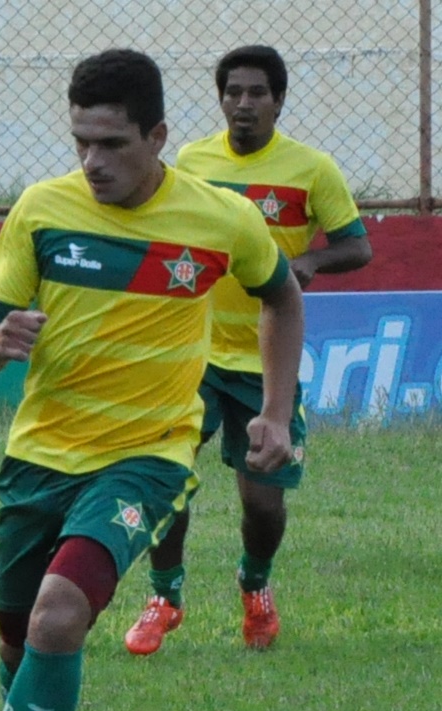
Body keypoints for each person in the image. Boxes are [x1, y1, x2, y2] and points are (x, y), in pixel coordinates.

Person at [0, 50, 302, 711]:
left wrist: (277, 412)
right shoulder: (41, 211)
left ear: (158, 136)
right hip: (39, 456)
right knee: (14, 641)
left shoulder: (219, 221)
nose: (93, 162)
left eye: (111, 144)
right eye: (81, 143)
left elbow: (282, 297)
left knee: (58, 617)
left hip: (147, 457)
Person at [123, 44, 372, 655]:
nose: (243, 103)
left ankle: (254, 584)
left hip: (265, 362)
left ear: (279, 100)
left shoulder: (312, 170)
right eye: (233, 92)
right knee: (165, 479)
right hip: (192, 354)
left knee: (262, 503)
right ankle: (165, 595)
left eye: (257, 92)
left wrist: (310, 260)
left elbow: (357, 246)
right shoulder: (191, 161)